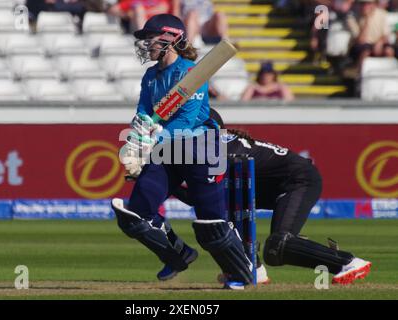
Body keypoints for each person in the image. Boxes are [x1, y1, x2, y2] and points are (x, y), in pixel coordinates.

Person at [112, 14, 255, 290]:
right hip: (166, 150)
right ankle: (178, 254)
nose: (145, 44)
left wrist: (154, 138)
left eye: (149, 38)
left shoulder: (191, 73)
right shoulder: (151, 76)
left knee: (210, 224)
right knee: (136, 214)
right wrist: (140, 128)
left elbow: (187, 121)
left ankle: (241, 272)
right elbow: (144, 109)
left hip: (200, 149)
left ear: (169, 39)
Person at [171, 108, 372, 285]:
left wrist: (167, 181)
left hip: (300, 180)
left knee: (278, 246)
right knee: (225, 208)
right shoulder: (215, 145)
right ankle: (252, 267)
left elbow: (197, 195)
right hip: (277, 185)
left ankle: (348, 263)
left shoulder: (218, 148)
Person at [346, 0, 395, 75]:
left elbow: (386, 35)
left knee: (389, 51)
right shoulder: (352, 17)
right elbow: (360, 40)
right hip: (360, 46)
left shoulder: (382, 14)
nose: (365, 6)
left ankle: (390, 75)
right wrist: (367, 19)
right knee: (365, 52)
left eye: (368, 3)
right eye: (362, 3)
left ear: (374, 4)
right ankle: (360, 76)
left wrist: (379, 43)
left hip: (378, 43)